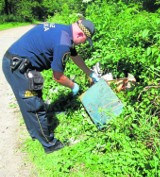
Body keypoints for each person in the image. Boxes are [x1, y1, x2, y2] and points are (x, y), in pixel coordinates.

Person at [2, 19, 99, 154]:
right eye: (85, 41)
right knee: (34, 105)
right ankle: (50, 145)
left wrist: (89, 72)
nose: (83, 44)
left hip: (15, 62)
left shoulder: (64, 31)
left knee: (31, 101)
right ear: (81, 35)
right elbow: (58, 77)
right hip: (18, 67)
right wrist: (73, 86)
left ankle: (36, 133)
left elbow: (74, 56)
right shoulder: (63, 43)